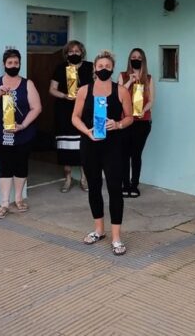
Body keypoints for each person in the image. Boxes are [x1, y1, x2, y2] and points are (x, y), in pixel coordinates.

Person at [71, 50, 133, 255]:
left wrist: (118, 124)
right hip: (90, 144)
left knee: (115, 189)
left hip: (113, 146)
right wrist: (87, 131)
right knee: (94, 187)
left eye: (107, 66)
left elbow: (130, 117)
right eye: (100, 66)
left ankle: (116, 237)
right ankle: (99, 230)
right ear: (94, 69)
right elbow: (75, 117)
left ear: (112, 68)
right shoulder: (84, 90)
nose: (104, 69)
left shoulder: (121, 91)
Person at [0, 49, 42, 219]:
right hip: (0, 133)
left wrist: (23, 125)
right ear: (4, 64)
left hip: (23, 134)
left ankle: (19, 199)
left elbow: (36, 107)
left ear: (20, 64)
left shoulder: (27, 84)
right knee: (5, 166)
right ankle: (4, 203)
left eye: (16, 63)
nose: (13, 66)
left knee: (21, 165)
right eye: (10, 63)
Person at [49, 40, 94, 192]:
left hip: (85, 111)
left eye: (77, 51)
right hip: (64, 111)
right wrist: (64, 95)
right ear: (66, 53)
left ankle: (84, 178)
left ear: (82, 52)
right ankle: (67, 179)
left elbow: (98, 85)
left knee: (84, 145)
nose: (74, 54)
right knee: (66, 146)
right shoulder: (60, 68)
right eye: (71, 51)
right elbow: (52, 89)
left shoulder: (90, 67)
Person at [118, 48, 154, 197]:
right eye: (133, 57)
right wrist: (130, 81)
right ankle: (125, 185)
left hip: (142, 122)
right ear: (129, 59)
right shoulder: (123, 75)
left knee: (136, 154)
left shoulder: (148, 78)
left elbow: (151, 100)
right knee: (124, 154)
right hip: (125, 120)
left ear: (143, 60)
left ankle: (134, 185)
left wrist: (143, 110)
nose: (136, 59)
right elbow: (118, 94)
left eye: (139, 57)